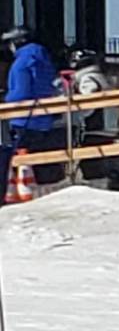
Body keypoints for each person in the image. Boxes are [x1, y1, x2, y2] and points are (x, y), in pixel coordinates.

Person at [3, 26, 61, 203]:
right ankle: (31, 193)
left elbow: (20, 92)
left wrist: (6, 99)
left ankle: (17, 195)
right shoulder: (44, 60)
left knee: (16, 157)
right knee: (32, 158)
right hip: (43, 120)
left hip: (23, 119)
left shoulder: (21, 63)